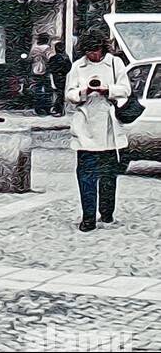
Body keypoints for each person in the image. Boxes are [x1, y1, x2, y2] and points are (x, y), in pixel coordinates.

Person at [65, 28, 132, 232]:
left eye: (95, 51)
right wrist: (84, 92)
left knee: (108, 175)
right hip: (85, 127)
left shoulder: (114, 63)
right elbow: (69, 93)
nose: (92, 55)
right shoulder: (78, 66)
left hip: (108, 128)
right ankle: (88, 217)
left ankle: (106, 211)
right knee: (86, 176)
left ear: (102, 48)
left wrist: (107, 90)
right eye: (88, 52)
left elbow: (126, 89)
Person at [26, 33, 53, 116]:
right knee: (48, 90)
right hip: (45, 71)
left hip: (35, 70)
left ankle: (38, 108)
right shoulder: (47, 48)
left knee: (37, 89)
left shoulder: (34, 48)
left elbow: (30, 58)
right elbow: (51, 58)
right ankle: (47, 107)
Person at [47, 42, 72, 116]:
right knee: (61, 94)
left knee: (59, 93)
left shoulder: (53, 58)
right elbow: (69, 67)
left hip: (56, 76)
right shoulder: (66, 57)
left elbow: (50, 68)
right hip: (63, 76)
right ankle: (59, 109)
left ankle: (58, 109)